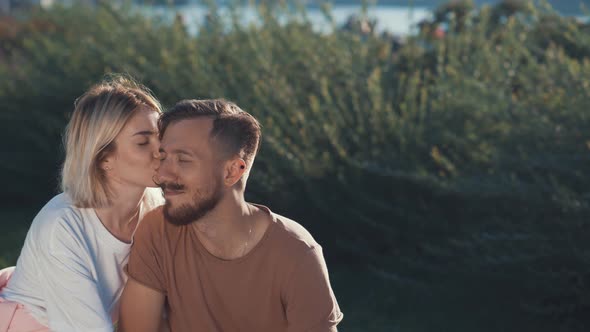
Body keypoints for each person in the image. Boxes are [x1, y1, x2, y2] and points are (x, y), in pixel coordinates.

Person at [119, 99, 343, 332]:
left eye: (183, 160)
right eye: (163, 157)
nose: (162, 173)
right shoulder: (158, 230)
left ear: (232, 171)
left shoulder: (296, 253)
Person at [0, 75, 164, 332]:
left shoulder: (155, 212)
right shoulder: (62, 225)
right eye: (143, 142)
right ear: (103, 159)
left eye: (160, 137)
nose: (160, 151)